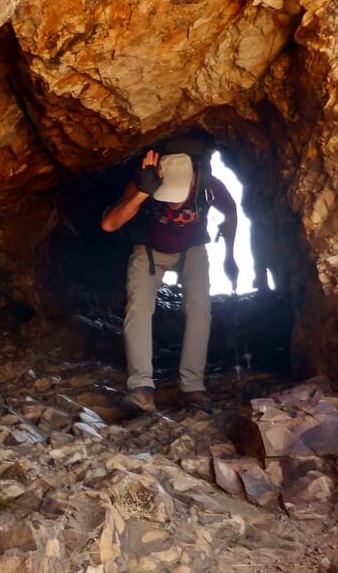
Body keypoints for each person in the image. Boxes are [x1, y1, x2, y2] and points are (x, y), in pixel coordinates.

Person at [100, 148, 239, 412]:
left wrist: (230, 255)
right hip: (149, 250)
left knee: (199, 308)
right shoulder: (144, 182)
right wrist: (143, 190)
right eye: (167, 194)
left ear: (192, 180)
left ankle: (193, 388)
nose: (173, 203)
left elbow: (231, 210)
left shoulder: (208, 186)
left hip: (192, 250)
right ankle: (141, 388)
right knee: (138, 307)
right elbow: (109, 224)